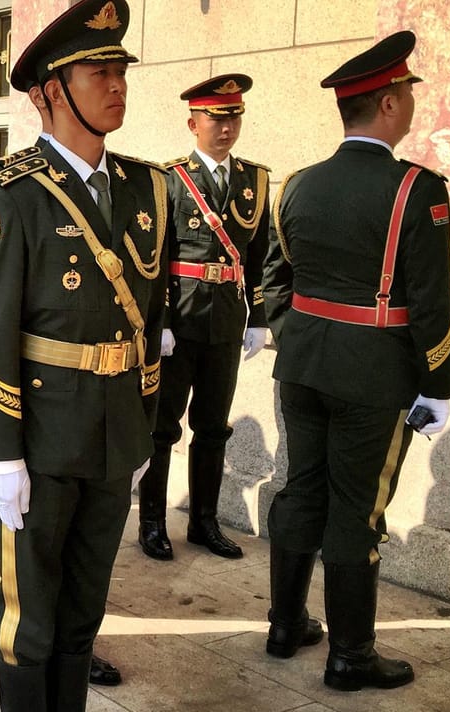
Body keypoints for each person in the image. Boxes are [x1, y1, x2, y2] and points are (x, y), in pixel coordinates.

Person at [0, 1, 172, 712]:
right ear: (48, 91)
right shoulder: (13, 193)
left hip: (114, 434)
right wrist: (2, 453)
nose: (116, 85)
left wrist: (144, 424)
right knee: (30, 616)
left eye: (120, 69)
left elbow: (148, 323)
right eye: (98, 71)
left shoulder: (146, 191)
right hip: (42, 440)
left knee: (84, 607)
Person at [261, 30, 450, 691]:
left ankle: (285, 627)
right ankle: (350, 655)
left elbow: (275, 281)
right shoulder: (414, 190)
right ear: (392, 103)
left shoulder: (297, 186)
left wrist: (297, 336)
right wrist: (439, 384)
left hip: (303, 368)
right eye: (406, 96)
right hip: (373, 374)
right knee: (355, 507)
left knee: (301, 487)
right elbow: (431, 302)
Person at [137, 74, 272, 561]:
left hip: (226, 321)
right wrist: (162, 321)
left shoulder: (254, 180)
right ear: (193, 122)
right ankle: (152, 523)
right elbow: (155, 257)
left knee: (213, 427)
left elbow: (260, 255)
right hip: (182, 317)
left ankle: (204, 522)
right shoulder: (170, 179)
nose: (226, 127)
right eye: (217, 118)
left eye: (234, 117)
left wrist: (258, 316)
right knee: (162, 428)